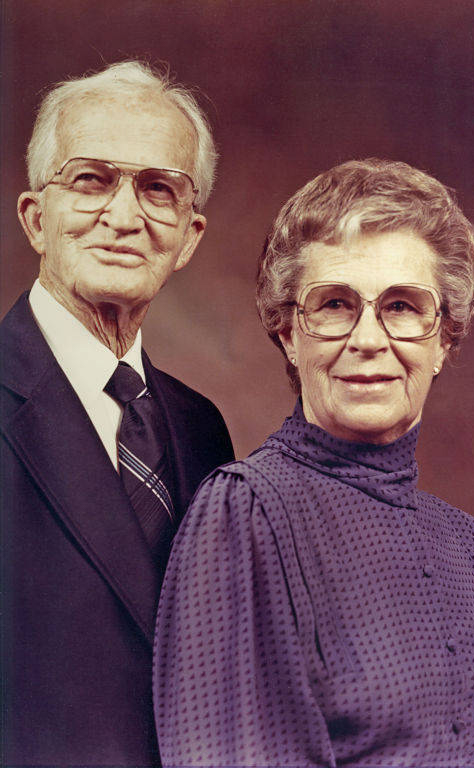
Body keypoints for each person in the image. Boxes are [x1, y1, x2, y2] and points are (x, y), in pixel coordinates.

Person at [153, 159, 474, 767]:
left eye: (404, 307)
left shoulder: (470, 546)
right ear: (286, 331)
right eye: (334, 304)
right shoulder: (246, 513)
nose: (368, 339)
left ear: (445, 339)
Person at [0, 61, 234, 767]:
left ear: (189, 236)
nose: (125, 216)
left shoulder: (202, 427)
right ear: (37, 219)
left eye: (157, 189)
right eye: (91, 179)